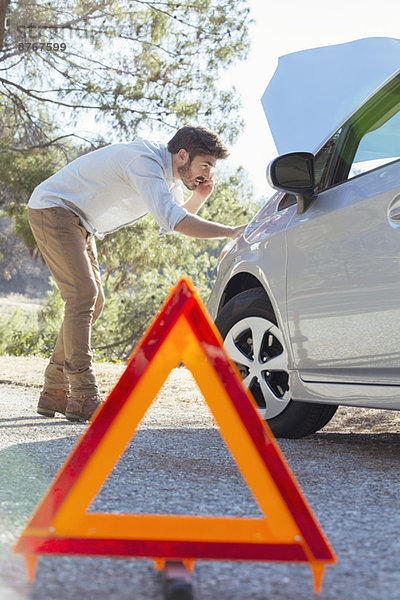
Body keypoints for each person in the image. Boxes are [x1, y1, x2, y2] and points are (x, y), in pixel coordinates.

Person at [27, 125, 247, 422]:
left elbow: (174, 214)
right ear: (183, 155)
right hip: (55, 209)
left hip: (78, 222)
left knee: (94, 301)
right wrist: (231, 232)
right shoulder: (145, 162)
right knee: (83, 295)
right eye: (205, 164)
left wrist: (200, 196)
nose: (208, 173)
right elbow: (174, 220)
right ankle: (83, 394)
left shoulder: (168, 173)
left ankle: (54, 390)